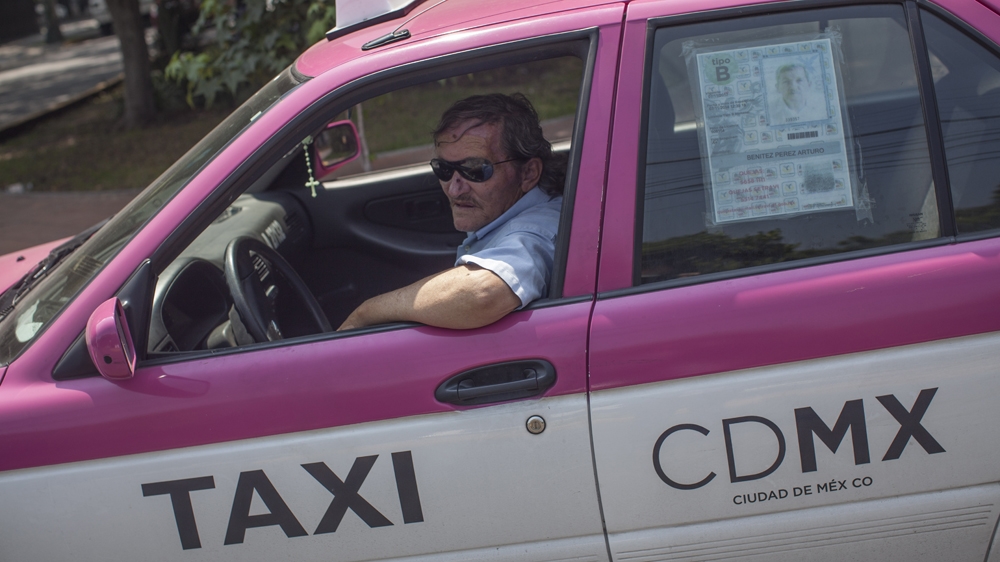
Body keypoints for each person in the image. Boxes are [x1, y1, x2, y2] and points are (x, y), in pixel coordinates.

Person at [337, 93, 563, 331]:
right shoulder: (521, 211)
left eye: (475, 169)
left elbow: (483, 292)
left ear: (528, 173)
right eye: (444, 169)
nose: (454, 190)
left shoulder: (536, 230)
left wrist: (365, 314)